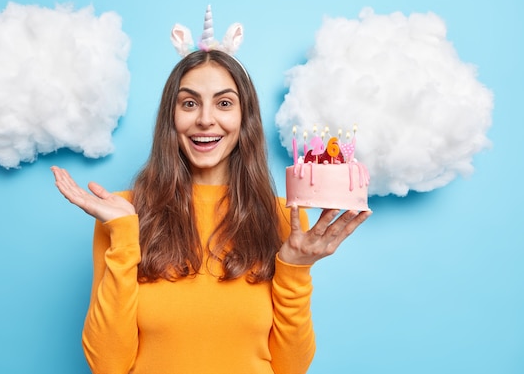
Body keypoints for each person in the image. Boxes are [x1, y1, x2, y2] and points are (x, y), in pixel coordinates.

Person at [51, 31, 371, 374]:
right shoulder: (122, 215)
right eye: (189, 103)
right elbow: (108, 365)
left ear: (244, 119)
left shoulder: (283, 217)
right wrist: (126, 236)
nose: (205, 119)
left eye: (224, 103)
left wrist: (295, 269)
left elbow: (291, 368)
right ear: (170, 118)